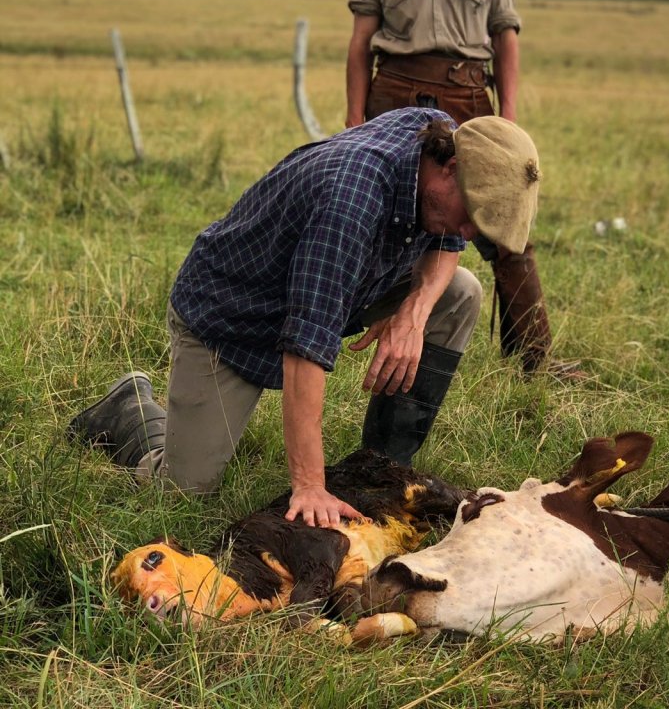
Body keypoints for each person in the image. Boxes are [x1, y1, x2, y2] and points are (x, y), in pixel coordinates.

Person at [67, 109, 541, 528]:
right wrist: (309, 485)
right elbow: (306, 348)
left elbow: (447, 245)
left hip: (345, 282)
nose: (466, 234)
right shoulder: (350, 201)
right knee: (183, 494)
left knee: (459, 293)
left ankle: (383, 473)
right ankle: (129, 408)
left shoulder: (440, 138)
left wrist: (413, 314)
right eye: (470, 216)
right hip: (234, 318)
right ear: (450, 168)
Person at [346, 0, 575, 377]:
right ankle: (359, 325)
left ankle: (535, 359)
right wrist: (355, 117)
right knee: (382, 211)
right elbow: (360, 41)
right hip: (395, 88)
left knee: (504, 215)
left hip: (469, 91)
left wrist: (509, 111)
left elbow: (506, 35)